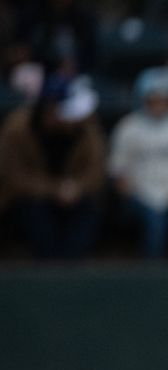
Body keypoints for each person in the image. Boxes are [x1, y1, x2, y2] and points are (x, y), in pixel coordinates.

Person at [0, 73, 104, 259]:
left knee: (88, 210)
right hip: (29, 196)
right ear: (49, 111)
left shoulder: (85, 126)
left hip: (74, 195)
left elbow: (95, 171)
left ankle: (73, 270)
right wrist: (54, 190)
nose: (75, 118)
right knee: (37, 213)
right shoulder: (17, 129)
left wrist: (76, 188)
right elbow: (12, 176)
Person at [109, 68, 168, 259]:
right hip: (141, 194)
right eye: (153, 100)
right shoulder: (128, 127)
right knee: (155, 223)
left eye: (164, 100)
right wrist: (132, 195)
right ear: (142, 99)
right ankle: (151, 277)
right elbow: (118, 170)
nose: (159, 106)